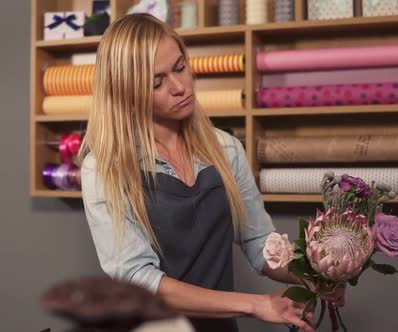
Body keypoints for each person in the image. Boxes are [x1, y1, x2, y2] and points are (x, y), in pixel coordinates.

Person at [78, 13, 343, 332]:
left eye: (179, 67)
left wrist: (318, 273)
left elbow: (259, 241)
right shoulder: (105, 169)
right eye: (157, 83)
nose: (180, 87)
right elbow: (140, 281)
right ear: (127, 93)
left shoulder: (226, 149)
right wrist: (256, 305)